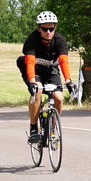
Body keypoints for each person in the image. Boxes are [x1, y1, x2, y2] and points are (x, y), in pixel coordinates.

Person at [17, 11, 75, 143]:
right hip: (34, 70)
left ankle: (53, 127)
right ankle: (33, 129)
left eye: (51, 28)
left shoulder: (60, 41)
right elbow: (30, 63)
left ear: (55, 28)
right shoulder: (32, 40)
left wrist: (68, 80)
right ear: (39, 28)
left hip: (50, 70)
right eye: (44, 29)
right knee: (37, 90)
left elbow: (63, 61)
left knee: (58, 97)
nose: (48, 32)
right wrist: (32, 81)